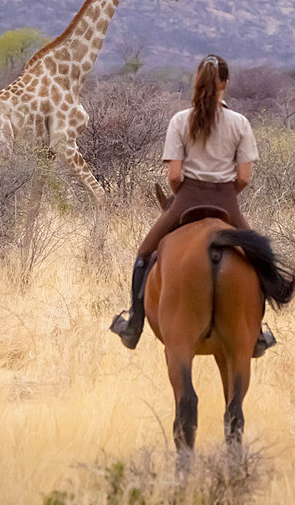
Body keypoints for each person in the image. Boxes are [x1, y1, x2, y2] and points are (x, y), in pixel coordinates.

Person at [109, 54, 272, 354]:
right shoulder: (240, 123)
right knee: (258, 256)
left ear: (197, 80)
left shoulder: (180, 120)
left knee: (144, 253)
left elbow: (174, 175)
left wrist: (184, 194)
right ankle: (258, 332)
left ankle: (134, 324)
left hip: (186, 199)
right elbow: (245, 177)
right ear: (226, 83)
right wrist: (225, 192)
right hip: (226, 199)